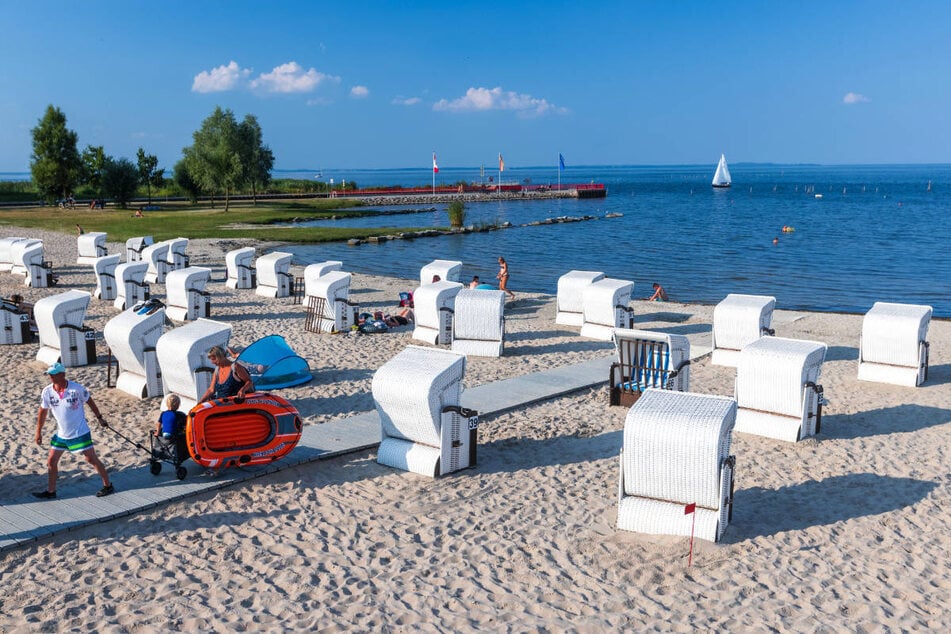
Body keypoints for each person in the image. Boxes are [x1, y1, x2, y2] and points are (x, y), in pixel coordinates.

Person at [33, 362, 114, 499]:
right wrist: (38, 432)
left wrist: (100, 418)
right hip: (62, 434)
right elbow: (42, 411)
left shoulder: (76, 389)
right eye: (49, 374)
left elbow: (90, 401)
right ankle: (51, 491)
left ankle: (108, 485)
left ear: (62, 374)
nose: (51, 377)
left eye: (53, 374)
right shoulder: (47, 391)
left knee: (90, 458)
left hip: (80, 432)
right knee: (51, 461)